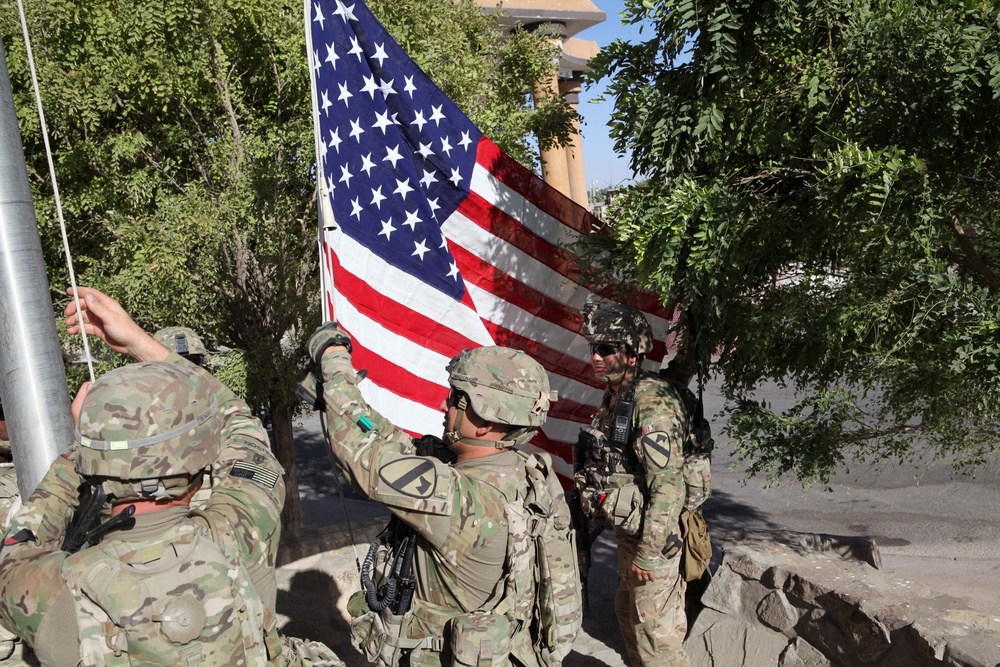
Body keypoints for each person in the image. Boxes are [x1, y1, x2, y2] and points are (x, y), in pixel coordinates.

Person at [0, 287, 287, 665]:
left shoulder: (50, 590)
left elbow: (19, 545)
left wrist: (84, 447)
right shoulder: (242, 532)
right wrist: (138, 339)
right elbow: (237, 419)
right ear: (199, 466)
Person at [301, 324, 566, 667]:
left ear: (485, 421)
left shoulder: (465, 499)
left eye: (457, 399)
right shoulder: (519, 471)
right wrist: (345, 403)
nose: (445, 405)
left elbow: (361, 457)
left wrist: (335, 363)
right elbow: (398, 447)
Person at [574, 303, 691, 667]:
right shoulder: (619, 393)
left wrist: (649, 553)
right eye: (594, 348)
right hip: (632, 537)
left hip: (652, 543)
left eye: (606, 349)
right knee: (629, 621)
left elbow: (669, 486)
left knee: (657, 643)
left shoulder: (650, 404)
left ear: (631, 352)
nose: (596, 356)